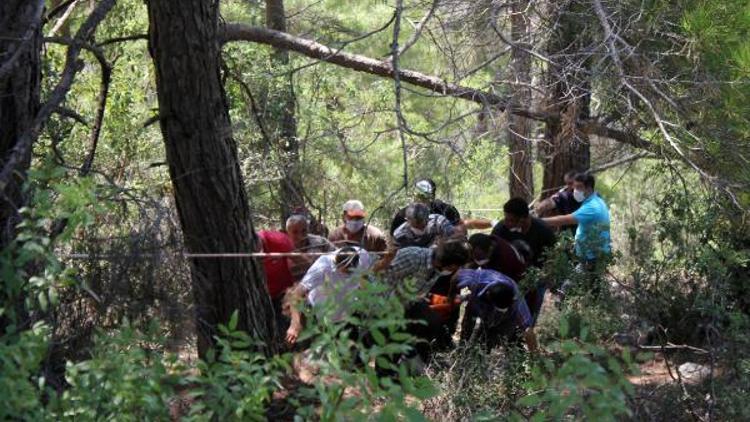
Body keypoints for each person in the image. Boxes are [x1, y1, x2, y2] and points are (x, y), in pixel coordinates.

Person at [377, 240, 471, 359]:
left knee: (432, 321)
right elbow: (381, 278)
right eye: (456, 267)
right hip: (384, 306)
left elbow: (418, 292)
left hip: (406, 304)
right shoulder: (412, 257)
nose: (456, 270)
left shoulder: (437, 268)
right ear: (451, 265)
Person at [285, 246, 373, 345]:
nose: (348, 275)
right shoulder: (322, 268)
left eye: (351, 272)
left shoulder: (364, 256)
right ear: (337, 264)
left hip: (348, 315)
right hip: (322, 317)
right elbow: (296, 294)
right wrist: (295, 324)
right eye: (345, 271)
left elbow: (365, 275)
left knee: (352, 353)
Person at [491, 197, 557, 322]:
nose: (506, 222)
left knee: (528, 317)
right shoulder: (501, 229)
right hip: (508, 279)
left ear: (522, 219)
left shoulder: (543, 231)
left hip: (535, 281)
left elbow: (554, 256)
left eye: (510, 220)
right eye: (505, 218)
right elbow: (491, 251)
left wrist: (546, 275)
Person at [457, 268, 537, 352]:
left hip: (507, 319)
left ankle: (479, 356)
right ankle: (461, 351)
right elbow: (457, 275)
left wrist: (535, 357)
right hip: (480, 303)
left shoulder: (517, 302)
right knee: (467, 329)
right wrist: (451, 296)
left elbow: (527, 329)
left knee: (489, 342)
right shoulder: (476, 280)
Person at [542, 172, 611, 266]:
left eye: (579, 187)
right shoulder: (594, 200)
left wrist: (538, 221)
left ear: (589, 188)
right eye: (575, 187)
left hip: (592, 258)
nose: (575, 191)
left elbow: (564, 220)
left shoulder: (592, 207)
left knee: (574, 280)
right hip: (592, 255)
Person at [256, 230, 296, 334]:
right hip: (259, 296)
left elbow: (299, 259)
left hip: (283, 292)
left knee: (285, 327)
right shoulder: (239, 250)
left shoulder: (279, 241)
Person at [390, 179, 462, 235]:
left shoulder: (447, 211)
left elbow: (461, 234)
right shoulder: (402, 216)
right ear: (412, 196)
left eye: (424, 197)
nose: (420, 201)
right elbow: (392, 242)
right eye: (417, 197)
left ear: (432, 197)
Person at [285, 214, 335, 282]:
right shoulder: (283, 248)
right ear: (287, 233)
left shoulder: (320, 242)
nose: (300, 236)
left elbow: (336, 256)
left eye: (304, 231)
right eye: (295, 232)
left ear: (308, 229)